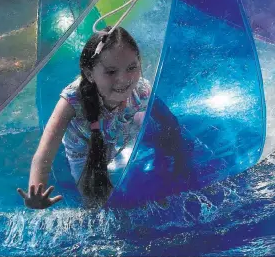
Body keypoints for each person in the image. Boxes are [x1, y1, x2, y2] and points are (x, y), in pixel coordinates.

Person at [17, 26, 192, 209]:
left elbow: (170, 122)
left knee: (147, 124)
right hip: (85, 150)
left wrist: (181, 159)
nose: (123, 79)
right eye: (111, 72)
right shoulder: (72, 101)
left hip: (119, 132)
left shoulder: (141, 89)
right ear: (89, 73)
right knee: (96, 206)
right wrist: (36, 190)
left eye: (131, 67)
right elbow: (43, 155)